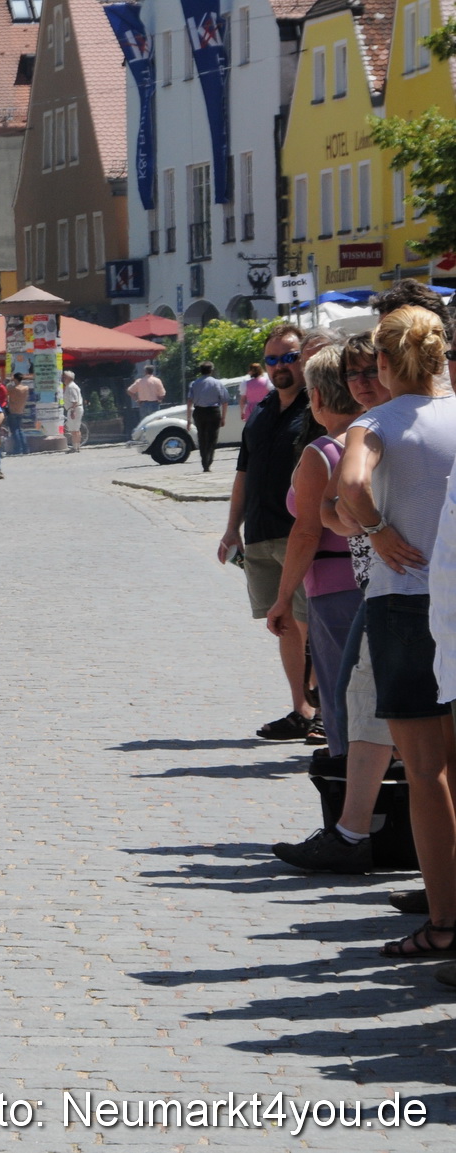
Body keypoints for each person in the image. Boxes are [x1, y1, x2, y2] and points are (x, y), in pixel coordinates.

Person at [336, 305, 456, 959]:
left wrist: (377, 529)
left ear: (381, 364)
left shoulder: (374, 422)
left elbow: (351, 483)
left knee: (425, 771)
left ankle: (443, 919)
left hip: (403, 604)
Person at [265, 346, 368, 872]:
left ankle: (355, 825)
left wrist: (283, 598)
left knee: (341, 702)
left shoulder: (325, 452)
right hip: (380, 580)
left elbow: (306, 530)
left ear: (320, 396)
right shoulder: (379, 439)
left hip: (332, 584)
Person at [219, 324, 318, 742]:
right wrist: (231, 530)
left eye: (289, 357)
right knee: (285, 627)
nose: (281, 366)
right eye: (273, 359)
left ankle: (325, 711)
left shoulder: (317, 408)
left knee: (311, 624)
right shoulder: (260, 412)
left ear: (304, 359)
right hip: (260, 535)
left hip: (301, 533)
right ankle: (301, 709)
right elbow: (244, 474)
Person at [187, 361, 228, 472]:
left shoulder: (194, 384)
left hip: (199, 412)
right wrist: (223, 417)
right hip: (213, 412)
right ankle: (209, 461)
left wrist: (188, 419)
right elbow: (224, 401)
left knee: (202, 436)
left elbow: (189, 401)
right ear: (211, 370)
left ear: (201, 371)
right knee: (212, 437)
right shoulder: (217, 383)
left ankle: (204, 461)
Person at [7, 371, 31, 454]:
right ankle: (25, 448)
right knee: (20, 429)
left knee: (15, 430)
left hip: (13, 410)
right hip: (21, 410)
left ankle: (18, 448)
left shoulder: (13, 389)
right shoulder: (26, 388)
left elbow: (8, 390)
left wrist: (10, 380)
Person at [60, 371, 82, 453]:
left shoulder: (71, 387)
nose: (63, 379)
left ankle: (75, 447)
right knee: (76, 429)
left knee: (74, 430)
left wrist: (73, 411)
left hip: (74, 408)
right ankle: (77, 446)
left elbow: (74, 400)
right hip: (75, 408)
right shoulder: (70, 386)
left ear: (69, 378)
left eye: (64, 377)